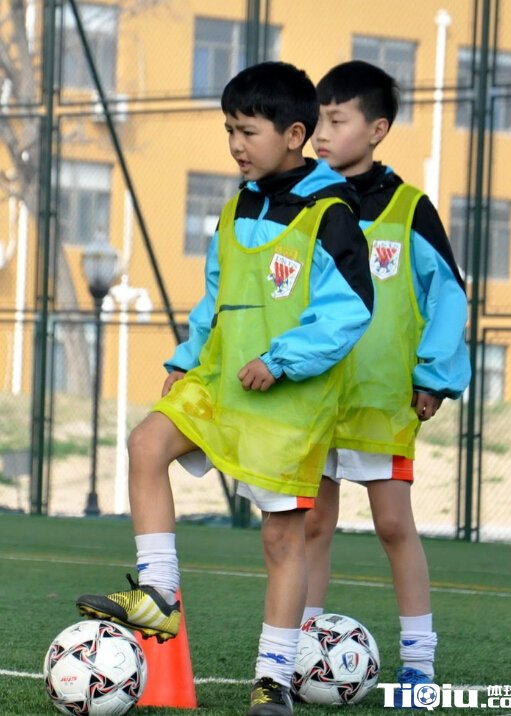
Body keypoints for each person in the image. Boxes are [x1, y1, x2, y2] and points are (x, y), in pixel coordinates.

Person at [75, 61, 374, 716]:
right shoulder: (239, 205)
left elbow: (350, 310)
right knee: (146, 444)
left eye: (247, 132)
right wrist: (187, 359)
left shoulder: (330, 214)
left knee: (281, 541)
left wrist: (281, 360)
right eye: (229, 131)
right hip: (220, 384)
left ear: (294, 135)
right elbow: (216, 297)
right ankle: (158, 594)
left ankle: (272, 680)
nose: (236, 144)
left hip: (287, 401)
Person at [303, 60, 471, 706]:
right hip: (312, 395)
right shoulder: (305, 201)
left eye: (336, 120)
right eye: (316, 120)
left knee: (394, 525)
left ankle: (419, 667)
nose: (321, 133)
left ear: (376, 130)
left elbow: (448, 295)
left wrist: (434, 376)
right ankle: (300, 652)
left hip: (381, 401)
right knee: (311, 524)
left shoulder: (408, 209)